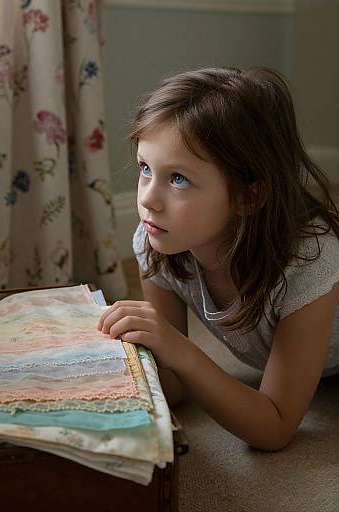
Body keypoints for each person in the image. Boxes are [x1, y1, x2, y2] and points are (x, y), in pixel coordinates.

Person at [98, 67, 339, 451]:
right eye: (146, 168)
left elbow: (275, 427)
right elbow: (174, 385)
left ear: (248, 196)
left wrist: (178, 347)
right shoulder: (155, 242)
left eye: (178, 178)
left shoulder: (311, 264)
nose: (147, 199)